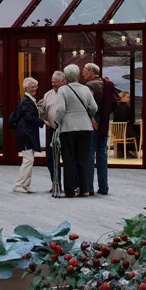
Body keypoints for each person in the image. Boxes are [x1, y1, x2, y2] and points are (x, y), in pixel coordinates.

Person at [55, 63, 98, 197]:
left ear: (66, 77)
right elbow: (94, 107)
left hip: (68, 128)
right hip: (85, 127)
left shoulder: (63, 90)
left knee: (69, 160)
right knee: (83, 159)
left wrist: (57, 121)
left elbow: (60, 109)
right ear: (78, 75)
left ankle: (69, 191)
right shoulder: (85, 89)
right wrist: (87, 115)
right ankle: (85, 189)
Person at [83, 62, 118, 196]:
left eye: (85, 71)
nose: (83, 73)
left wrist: (91, 117)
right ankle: (104, 187)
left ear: (91, 72)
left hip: (94, 119)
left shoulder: (90, 86)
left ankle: (89, 187)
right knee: (102, 154)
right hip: (105, 119)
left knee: (90, 153)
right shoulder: (107, 84)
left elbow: (88, 104)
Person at [8, 77, 41, 193]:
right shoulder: (27, 101)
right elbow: (29, 117)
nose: (35, 88)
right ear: (26, 88)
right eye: (32, 87)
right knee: (28, 159)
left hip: (26, 133)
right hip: (25, 134)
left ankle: (26, 185)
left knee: (29, 159)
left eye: (35, 86)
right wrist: (43, 122)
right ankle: (19, 185)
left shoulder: (29, 100)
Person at [40, 70, 66, 193]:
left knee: (68, 159)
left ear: (63, 81)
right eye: (52, 82)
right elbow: (42, 111)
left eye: (55, 82)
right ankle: (56, 184)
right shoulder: (48, 94)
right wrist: (38, 107)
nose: (53, 84)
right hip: (53, 130)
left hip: (66, 130)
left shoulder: (68, 93)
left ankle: (71, 185)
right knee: (51, 160)